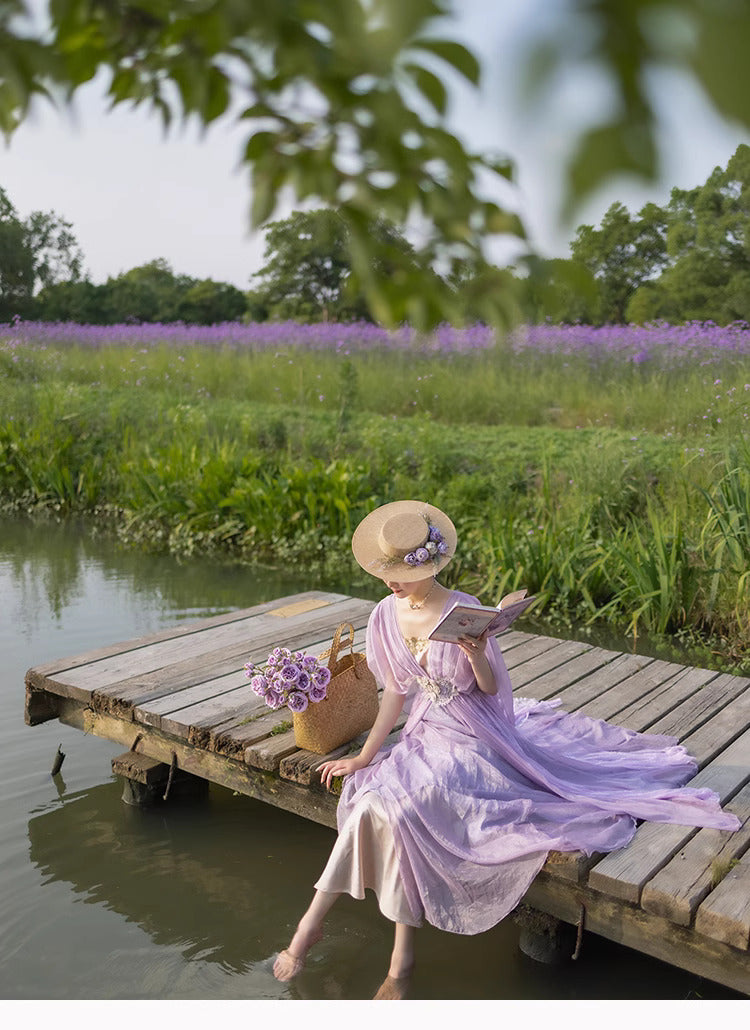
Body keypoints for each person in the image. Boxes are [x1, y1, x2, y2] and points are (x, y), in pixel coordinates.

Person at [273, 500, 740, 998]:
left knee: (403, 812)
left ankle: (400, 961)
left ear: (428, 567)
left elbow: (491, 690)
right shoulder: (385, 615)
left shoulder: (463, 607)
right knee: (371, 803)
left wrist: (476, 652)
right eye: (385, 572)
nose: (391, 583)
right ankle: (310, 926)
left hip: (474, 734)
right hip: (424, 734)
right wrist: (365, 756)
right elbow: (394, 694)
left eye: (401, 574)